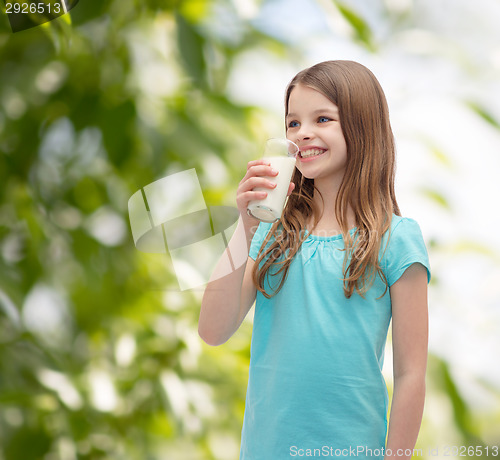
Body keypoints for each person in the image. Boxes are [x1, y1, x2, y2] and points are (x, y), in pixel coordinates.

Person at [198, 60, 430, 460]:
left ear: (362, 126)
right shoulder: (272, 234)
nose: (302, 133)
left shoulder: (396, 239)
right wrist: (245, 225)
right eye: (292, 123)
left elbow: (411, 375)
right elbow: (213, 330)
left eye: (322, 118)